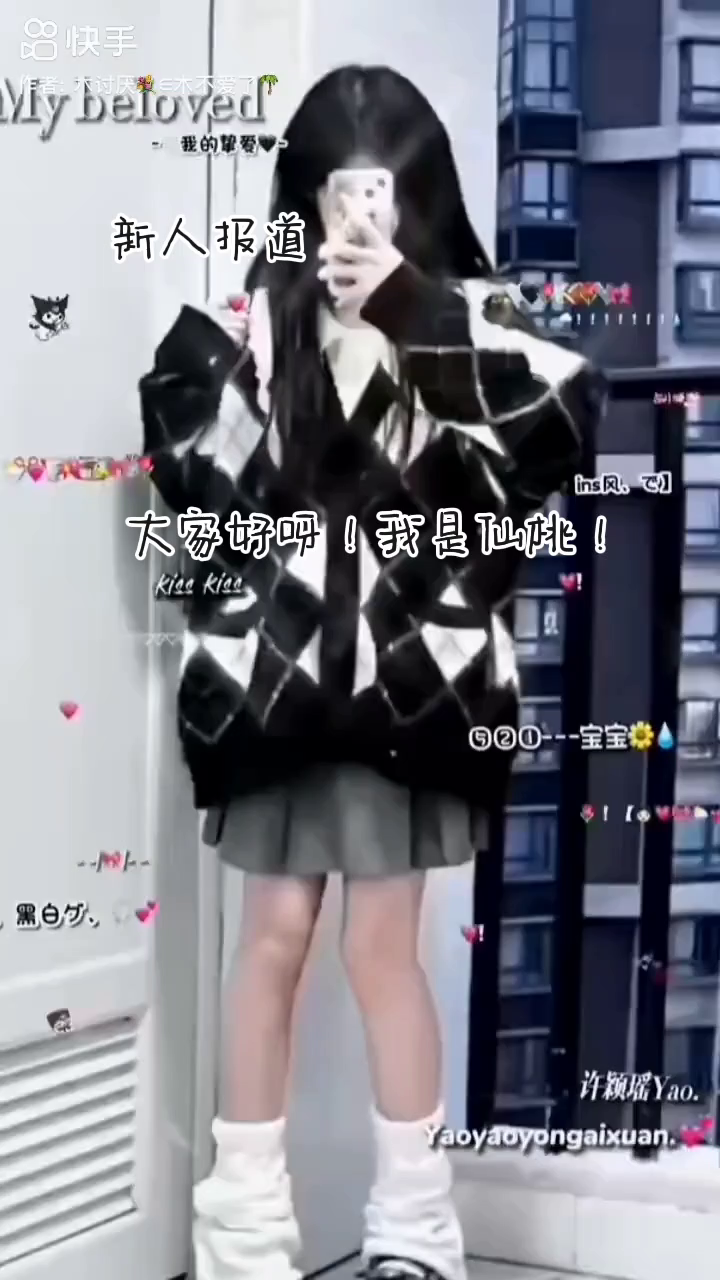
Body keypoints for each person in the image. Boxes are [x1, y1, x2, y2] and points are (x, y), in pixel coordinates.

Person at [139, 63, 604, 1280]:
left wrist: (407, 306)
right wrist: (256, 355)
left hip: (411, 688)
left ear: (417, 194)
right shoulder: (252, 323)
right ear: (304, 194)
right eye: (338, 192)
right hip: (278, 689)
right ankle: (244, 1234)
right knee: (274, 937)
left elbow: (556, 429)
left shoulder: (472, 322)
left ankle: (413, 1229)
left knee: (379, 949)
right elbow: (202, 500)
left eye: (381, 191)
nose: (358, 217)